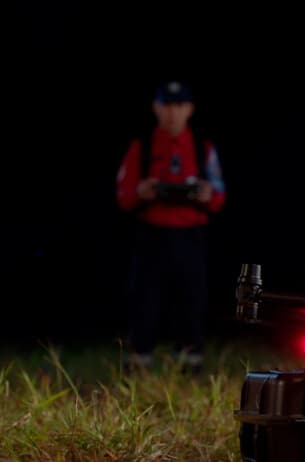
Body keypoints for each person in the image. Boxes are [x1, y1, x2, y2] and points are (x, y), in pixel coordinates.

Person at [116, 80, 225, 372]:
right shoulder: (142, 147)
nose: (172, 113)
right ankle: (138, 367)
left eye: (179, 106)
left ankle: (189, 368)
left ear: (190, 109)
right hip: (152, 235)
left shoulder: (203, 148)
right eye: (166, 105)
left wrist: (205, 193)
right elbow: (123, 195)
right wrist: (142, 191)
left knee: (191, 300)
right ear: (156, 108)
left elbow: (219, 195)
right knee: (144, 301)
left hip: (190, 236)